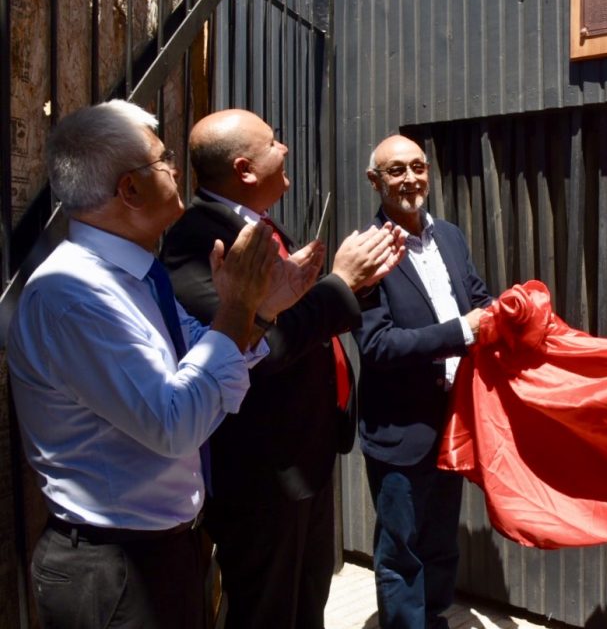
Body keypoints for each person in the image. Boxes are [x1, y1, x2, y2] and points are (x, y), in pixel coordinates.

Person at [6, 99, 312, 629]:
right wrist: (239, 307)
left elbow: (203, 352)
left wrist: (259, 312)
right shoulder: (74, 294)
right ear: (129, 189)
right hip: (115, 568)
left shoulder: (138, 276)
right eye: (163, 158)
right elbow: (175, 423)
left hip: (161, 550)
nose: (175, 168)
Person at [161, 108, 403, 629]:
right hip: (261, 474)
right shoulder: (200, 240)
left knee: (307, 602)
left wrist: (352, 285)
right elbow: (257, 346)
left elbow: (290, 313)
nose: (285, 149)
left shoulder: (258, 224)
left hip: (304, 456)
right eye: (274, 142)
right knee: (267, 611)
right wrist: (340, 283)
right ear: (245, 170)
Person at [356, 134, 493, 629]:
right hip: (401, 431)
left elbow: (476, 298)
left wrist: (505, 311)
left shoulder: (449, 236)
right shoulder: (367, 251)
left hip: (453, 423)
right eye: (397, 170)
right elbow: (377, 345)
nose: (411, 178)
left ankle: (432, 619)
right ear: (375, 181)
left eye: (418, 167)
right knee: (402, 551)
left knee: (439, 543)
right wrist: (462, 331)